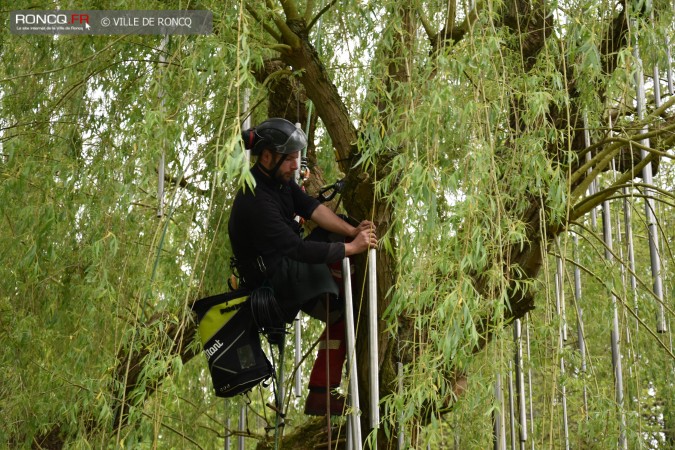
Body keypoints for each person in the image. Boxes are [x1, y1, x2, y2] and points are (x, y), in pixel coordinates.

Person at [228, 117, 377, 415]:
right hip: (276, 281)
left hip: (289, 262)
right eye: (291, 159)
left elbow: (310, 207)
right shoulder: (255, 200)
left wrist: (350, 232)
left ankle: (344, 283)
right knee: (343, 311)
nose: (296, 165)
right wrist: (352, 248)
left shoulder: (278, 181)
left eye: (297, 158)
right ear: (268, 157)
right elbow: (297, 248)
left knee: (342, 228)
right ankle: (321, 392)